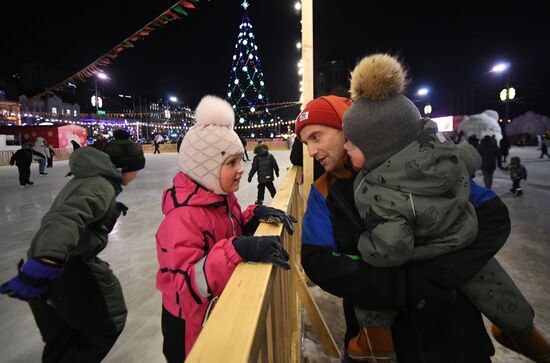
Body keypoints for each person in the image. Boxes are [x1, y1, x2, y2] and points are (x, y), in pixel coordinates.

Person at [295, 94, 550, 362]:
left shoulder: (419, 166)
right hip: (382, 346)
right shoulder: (323, 192)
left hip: (455, 337)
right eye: (305, 142)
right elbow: (318, 261)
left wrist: (441, 272)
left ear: (347, 128)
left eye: (316, 137)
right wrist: (401, 285)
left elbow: (492, 217)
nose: (311, 151)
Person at [155, 95, 295, 363]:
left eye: (240, 160)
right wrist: (236, 249)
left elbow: (229, 228)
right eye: (231, 163)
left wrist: (254, 216)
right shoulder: (181, 219)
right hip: (190, 325)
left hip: (216, 309)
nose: (241, 170)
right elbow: (187, 280)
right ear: (204, 167)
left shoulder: (221, 198)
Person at [0, 129, 146, 362]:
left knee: (62, 336)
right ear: (123, 168)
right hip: (61, 264)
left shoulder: (94, 181)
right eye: (136, 169)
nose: (137, 175)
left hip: (54, 261)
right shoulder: (100, 186)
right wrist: (47, 260)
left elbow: (78, 207)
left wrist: (107, 210)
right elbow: (65, 217)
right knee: (107, 324)